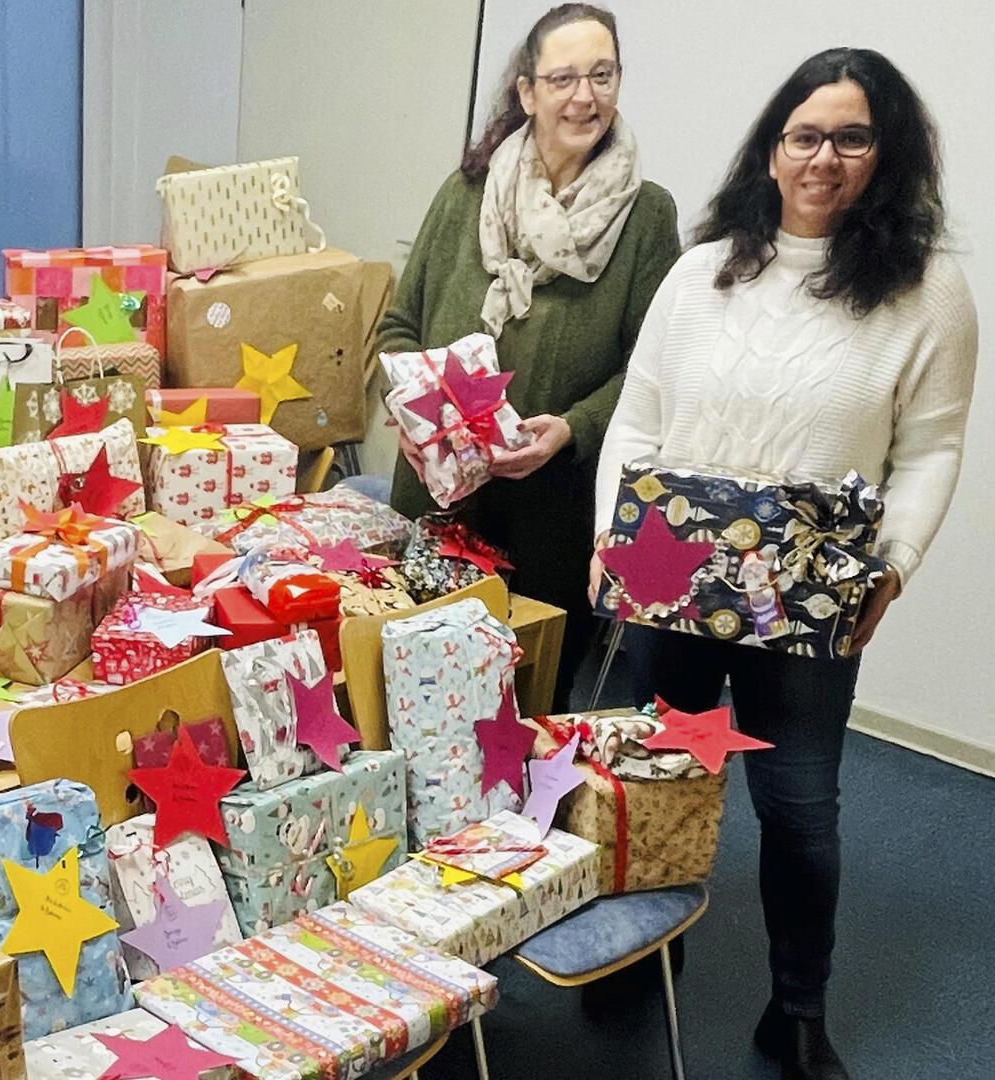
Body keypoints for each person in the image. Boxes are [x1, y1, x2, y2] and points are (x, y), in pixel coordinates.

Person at [592, 48, 977, 1080]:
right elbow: (638, 420)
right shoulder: (701, 269)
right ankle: (635, 953)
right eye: (806, 134)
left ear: (887, 155)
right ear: (772, 150)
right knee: (659, 779)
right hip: (671, 579)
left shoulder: (927, 291)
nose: (825, 157)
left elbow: (932, 448)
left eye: (853, 137)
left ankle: (795, 1009)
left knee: (800, 805)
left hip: (813, 598)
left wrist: (893, 566)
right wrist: (612, 539)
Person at [377, 3, 680, 710]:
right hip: (440, 500)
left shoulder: (647, 218)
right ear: (528, 92)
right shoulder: (465, 195)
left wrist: (572, 427)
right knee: (416, 696)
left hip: (555, 510)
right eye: (564, 77)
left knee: (527, 704)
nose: (585, 96)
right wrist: (412, 421)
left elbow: (652, 372)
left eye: (601, 75)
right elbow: (398, 329)